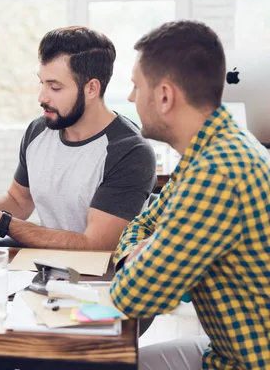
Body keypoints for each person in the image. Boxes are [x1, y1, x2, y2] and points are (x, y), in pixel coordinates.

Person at [110, 20, 270, 369]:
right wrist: (140, 253)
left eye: (137, 87)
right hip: (223, 348)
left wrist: (145, 253)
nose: (132, 98)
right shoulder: (211, 149)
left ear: (165, 96)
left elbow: (132, 297)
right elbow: (140, 224)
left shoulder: (217, 172)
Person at [0, 26, 156, 251]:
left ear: (92, 88)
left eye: (55, 87)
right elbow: (18, 200)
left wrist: (0, 221)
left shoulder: (130, 151)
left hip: (98, 276)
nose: (41, 97)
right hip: (45, 262)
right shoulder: (39, 130)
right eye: (42, 83)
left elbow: (96, 244)